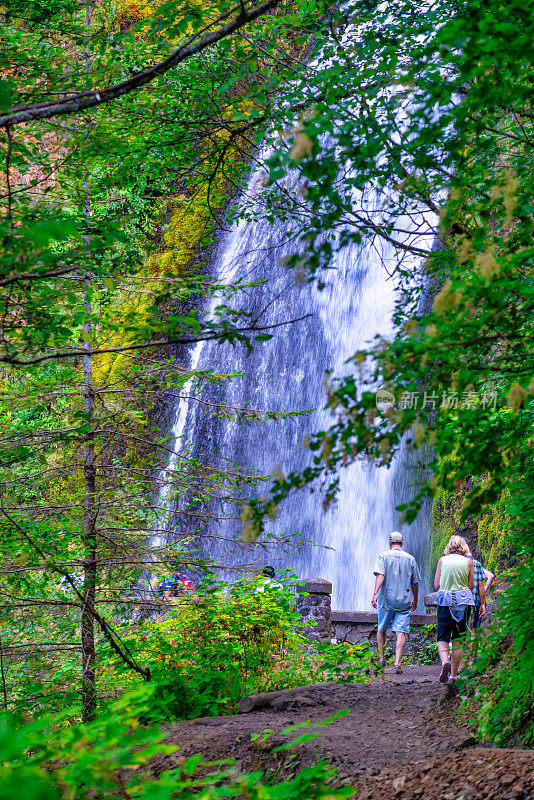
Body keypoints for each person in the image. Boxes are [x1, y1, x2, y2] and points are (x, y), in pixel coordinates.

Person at [371, 531, 421, 674]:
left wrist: (375, 594)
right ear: (402, 543)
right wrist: (415, 598)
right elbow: (415, 582)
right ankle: (398, 663)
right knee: (401, 632)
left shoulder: (383, 556)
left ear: (389, 543)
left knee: (381, 628)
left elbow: (381, 575)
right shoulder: (410, 558)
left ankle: (381, 659)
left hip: (386, 599)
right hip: (404, 600)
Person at [434, 535, 474, 683]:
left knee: (442, 636)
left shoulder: (442, 560)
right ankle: (454, 675)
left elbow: (437, 585)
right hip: (463, 602)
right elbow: (471, 586)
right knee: (458, 639)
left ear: (449, 546)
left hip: (445, 601)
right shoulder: (468, 562)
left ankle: (445, 662)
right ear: (463, 546)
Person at [465, 546, 494, 630]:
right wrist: (482, 591)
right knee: (474, 630)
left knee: (460, 633)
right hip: (475, 601)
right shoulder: (475, 563)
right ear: (469, 548)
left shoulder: (455, 563)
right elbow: (491, 576)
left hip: (460, 602)